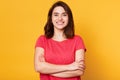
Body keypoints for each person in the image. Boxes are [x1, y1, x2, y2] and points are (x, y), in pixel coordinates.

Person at [34, 1, 86, 80]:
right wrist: (69, 67)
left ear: (69, 18)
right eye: (56, 15)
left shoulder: (77, 40)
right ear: (51, 18)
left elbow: (79, 71)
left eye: (64, 15)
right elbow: (38, 67)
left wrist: (47, 69)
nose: (60, 18)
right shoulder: (42, 40)